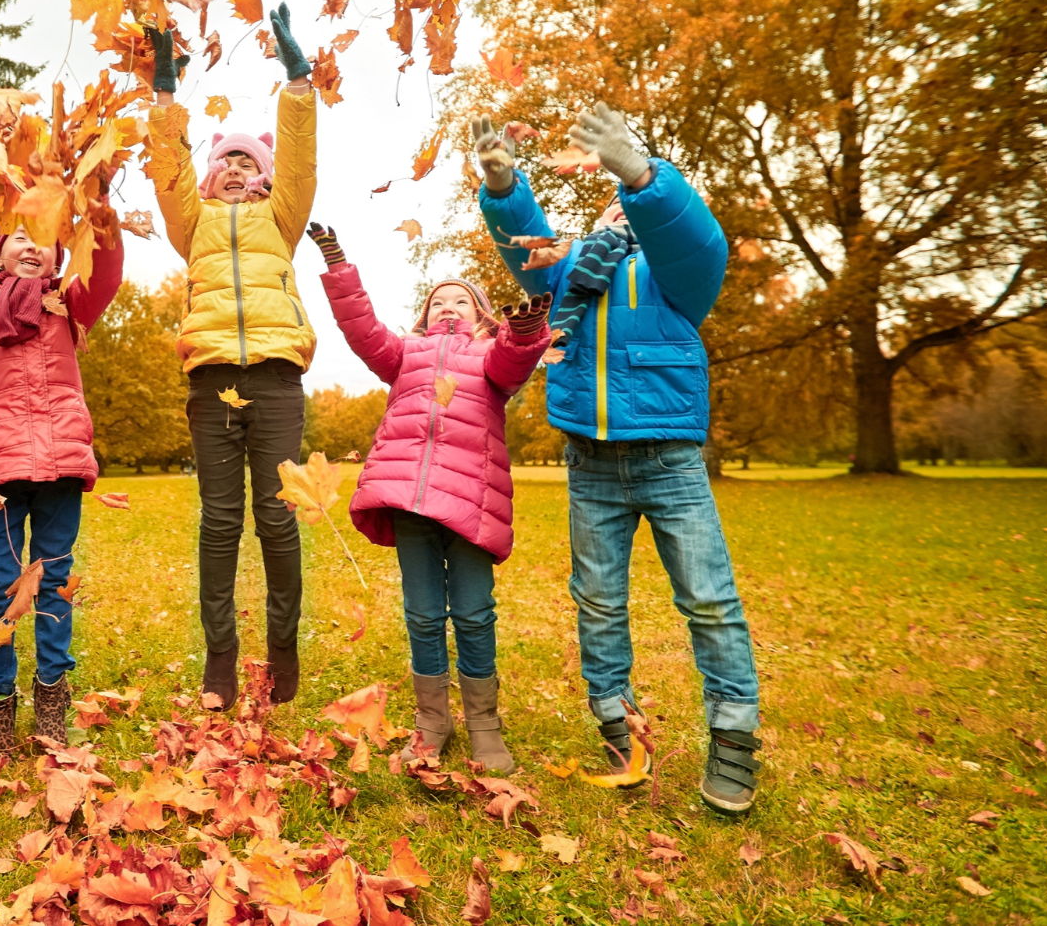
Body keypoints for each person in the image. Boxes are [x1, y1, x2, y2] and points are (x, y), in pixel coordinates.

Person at [473, 101, 763, 813]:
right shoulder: (567, 276)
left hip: (669, 461)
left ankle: (733, 741)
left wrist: (642, 175)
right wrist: (505, 189)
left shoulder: (678, 277)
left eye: (630, 203)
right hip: (591, 464)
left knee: (709, 601)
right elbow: (525, 246)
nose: (619, 213)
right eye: (612, 203)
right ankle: (616, 723)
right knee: (598, 603)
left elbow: (696, 239)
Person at [309, 223, 550, 771]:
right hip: (411, 502)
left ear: (482, 316)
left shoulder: (490, 355)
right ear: (422, 317)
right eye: (438, 300)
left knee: (472, 613)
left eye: (460, 301)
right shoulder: (405, 355)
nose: (448, 307)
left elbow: (515, 360)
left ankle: (485, 724)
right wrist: (338, 263)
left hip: (470, 504)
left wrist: (525, 330)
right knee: (422, 615)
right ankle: (433, 721)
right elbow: (362, 329)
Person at [144, 6, 319, 709]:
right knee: (221, 519)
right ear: (210, 179)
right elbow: (167, 173)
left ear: (266, 176)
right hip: (213, 377)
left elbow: (301, 160)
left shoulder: (283, 217)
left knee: (276, 516)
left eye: (250, 163)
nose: (238, 171)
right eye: (227, 163)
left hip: (276, 377)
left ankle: (282, 652)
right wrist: (165, 97)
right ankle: (221, 659)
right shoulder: (194, 223)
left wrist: (298, 81)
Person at [0, 171, 124, 757]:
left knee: (55, 580)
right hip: (0, 468)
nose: (31, 245)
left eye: (42, 235)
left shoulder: (70, 303)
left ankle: (51, 700)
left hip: (63, 463)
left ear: (61, 250)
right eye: (17, 235)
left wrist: (97, 202)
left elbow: (107, 272)